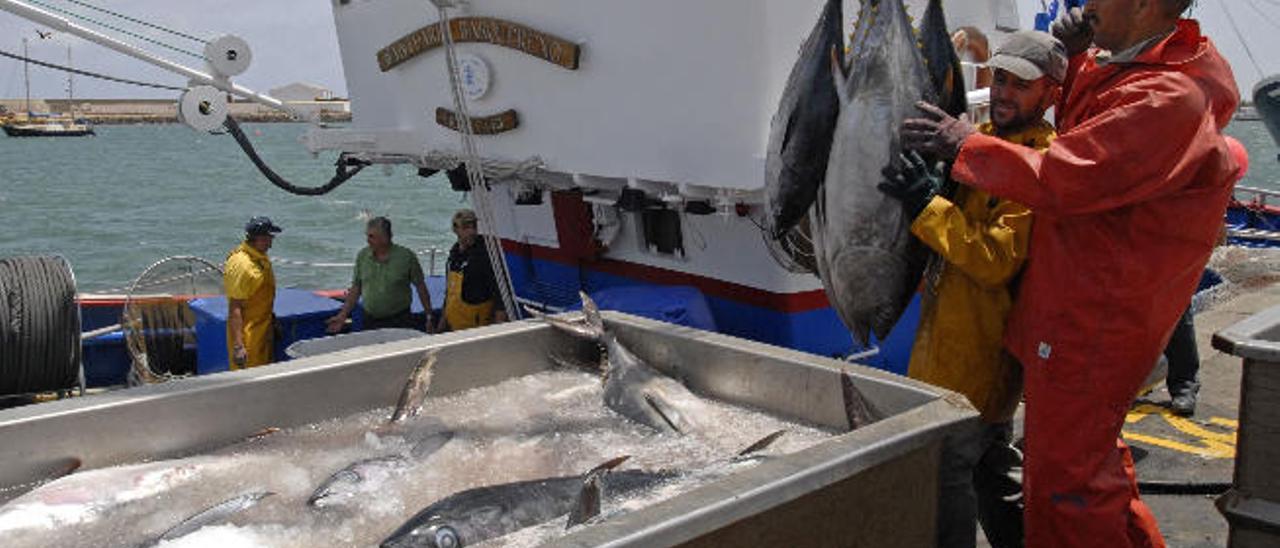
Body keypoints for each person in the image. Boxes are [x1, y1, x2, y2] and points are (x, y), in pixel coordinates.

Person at [899, 1, 1240, 546]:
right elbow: (1091, 127)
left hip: (1091, 324)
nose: (1085, 5)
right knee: (1085, 467)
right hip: (1079, 312)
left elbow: (1068, 172)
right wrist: (1080, 61)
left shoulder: (1167, 96)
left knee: (1065, 485)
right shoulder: (1147, 71)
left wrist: (964, 145)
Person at [880, 30, 1066, 548]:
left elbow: (994, 260)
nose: (1004, 92)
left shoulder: (1038, 162)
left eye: (1020, 85)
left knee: (948, 480)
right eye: (999, 78)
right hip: (950, 351)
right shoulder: (981, 141)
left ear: (1050, 93)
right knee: (992, 473)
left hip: (979, 362)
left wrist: (926, 205)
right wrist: (939, 177)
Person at [1164, 135, 1249, 416]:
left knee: (1179, 314)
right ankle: (1139, 378)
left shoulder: (1209, 167)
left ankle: (1185, 384)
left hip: (1178, 248)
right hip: (1147, 239)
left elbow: (1216, 233)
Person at [326, 217, 434, 333]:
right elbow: (356, 288)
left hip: (399, 320)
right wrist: (342, 315)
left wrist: (429, 317)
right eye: (367, 236)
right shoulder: (363, 257)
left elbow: (421, 287)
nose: (367, 240)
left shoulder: (406, 257)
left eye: (371, 236)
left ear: (385, 238)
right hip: (370, 320)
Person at [224, 216, 281, 369]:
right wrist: (238, 346)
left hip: (262, 330)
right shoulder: (242, 265)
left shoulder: (259, 257)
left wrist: (271, 320)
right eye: (269, 237)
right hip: (248, 337)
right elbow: (235, 307)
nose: (271, 242)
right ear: (259, 238)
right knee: (249, 378)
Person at [438, 209, 508, 332]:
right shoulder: (454, 254)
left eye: (474, 226)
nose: (471, 231)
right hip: (455, 324)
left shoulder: (486, 254)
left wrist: (498, 329)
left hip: (476, 326)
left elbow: (499, 294)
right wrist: (442, 324)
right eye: (465, 227)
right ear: (455, 229)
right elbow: (450, 292)